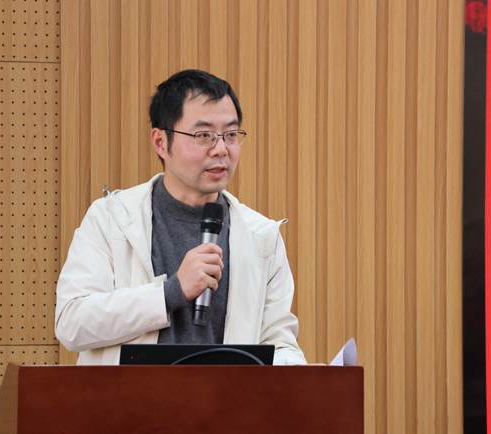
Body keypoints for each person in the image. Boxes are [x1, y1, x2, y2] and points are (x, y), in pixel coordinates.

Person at [55, 69, 306, 365]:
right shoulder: (111, 219)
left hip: (227, 396)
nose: (221, 149)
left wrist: (299, 370)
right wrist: (171, 292)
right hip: (131, 395)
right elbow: (72, 323)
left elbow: (279, 343)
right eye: (204, 136)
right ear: (161, 142)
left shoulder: (261, 236)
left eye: (230, 135)